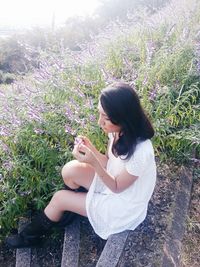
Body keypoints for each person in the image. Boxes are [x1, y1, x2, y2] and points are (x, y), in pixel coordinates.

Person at [6, 82, 156, 248]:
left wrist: (93, 162)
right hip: (112, 181)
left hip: (123, 205)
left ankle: (31, 237)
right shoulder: (117, 131)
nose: (100, 122)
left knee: (59, 198)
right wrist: (90, 148)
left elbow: (117, 187)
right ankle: (72, 209)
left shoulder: (142, 152)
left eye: (105, 118)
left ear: (123, 117)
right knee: (70, 170)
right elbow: (109, 163)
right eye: (99, 114)